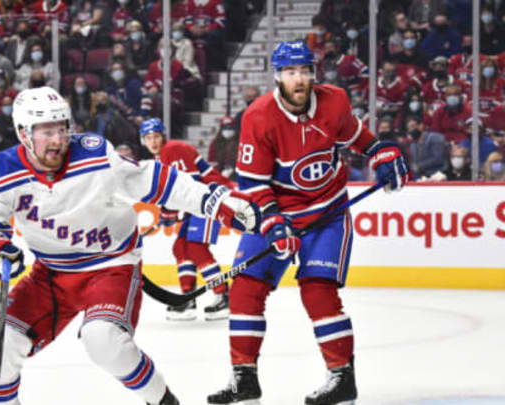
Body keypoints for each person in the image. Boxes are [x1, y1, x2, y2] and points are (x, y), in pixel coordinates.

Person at [0, 86, 260, 405]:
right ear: (23, 133)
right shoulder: (0, 173)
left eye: (63, 129)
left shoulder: (94, 155)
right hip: (49, 274)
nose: (58, 140)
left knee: (103, 340)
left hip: (110, 267)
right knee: (2, 345)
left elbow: (155, 181)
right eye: (46, 131)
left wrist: (215, 203)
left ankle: (162, 401)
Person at [206, 41, 410, 405]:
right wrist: (272, 221)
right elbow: (253, 183)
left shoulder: (335, 101)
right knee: (245, 289)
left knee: (318, 291)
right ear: (277, 76)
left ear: (313, 73)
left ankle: (342, 378)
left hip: (326, 213)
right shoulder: (257, 116)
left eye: (303, 71)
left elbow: (358, 138)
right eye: (290, 72)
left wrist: (382, 152)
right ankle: (244, 379)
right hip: (277, 214)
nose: (298, 79)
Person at [140, 117, 233, 321]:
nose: (153, 141)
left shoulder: (171, 149)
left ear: (163, 136)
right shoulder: (161, 158)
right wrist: (169, 211)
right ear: (143, 141)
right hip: (200, 203)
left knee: (196, 248)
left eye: (156, 136)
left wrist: (171, 212)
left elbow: (189, 185)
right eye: (148, 138)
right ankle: (187, 300)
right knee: (181, 247)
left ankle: (223, 296)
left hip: (212, 199)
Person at [207, 116, 239, 181]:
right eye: (225, 128)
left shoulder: (239, 142)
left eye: (230, 128)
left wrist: (232, 169)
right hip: (219, 175)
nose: (228, 130)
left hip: (236, 176)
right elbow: (211, 161)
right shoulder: (215, 143)